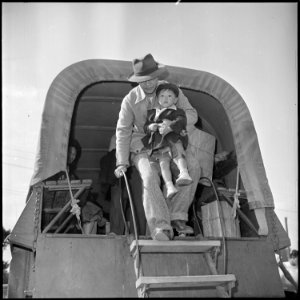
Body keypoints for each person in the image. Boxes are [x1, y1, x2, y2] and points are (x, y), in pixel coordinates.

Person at [114, 53, 199, 241]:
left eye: (152, 79)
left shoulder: (172, 91)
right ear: (137, 81)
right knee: (150, 176)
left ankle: (177, 216)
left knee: (193, 167)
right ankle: (161, 227)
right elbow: (123, 131)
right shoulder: (130, 100)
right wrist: (122, 162)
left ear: (158, 75)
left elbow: (192, 115)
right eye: (143, 81)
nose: (149, 84)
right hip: (143, 145)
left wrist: (174, 123)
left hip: (169, 140)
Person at [141, 82, 192, 200]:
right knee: (163, 164)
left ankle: (184, 172)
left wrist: (170, 127)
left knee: (178, 153)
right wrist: (151, 127)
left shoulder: (177, 111)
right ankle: (169, 185)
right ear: (157, 99)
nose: (165, 99)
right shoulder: (152, 112)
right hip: (159, 144)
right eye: (162, 96)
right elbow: (146, 127)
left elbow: (181, 121)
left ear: (175, 100)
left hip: (173, 138)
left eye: (170, 96)